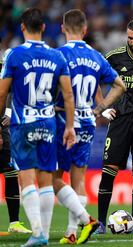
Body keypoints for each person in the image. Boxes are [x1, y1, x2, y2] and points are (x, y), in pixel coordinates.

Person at [0, 7, 76, 246]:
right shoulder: (57, 56)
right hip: (49, 123)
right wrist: (70, 127)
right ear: (43, 28)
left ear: (22, 28)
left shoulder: (14, 55)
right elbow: (68, 96)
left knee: (26, 179)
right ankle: (42, 231)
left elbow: (2, 93)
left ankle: (37, 233)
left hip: (23, 124)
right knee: (46, 180)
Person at [54, 9, 126, 244]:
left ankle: (82, 224)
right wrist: (100, 107)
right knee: (79, 179)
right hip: (87, 121)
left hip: (64, 121)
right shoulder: (96, 57)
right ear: (85, 30)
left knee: (54, 177)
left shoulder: (58, 55)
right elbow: (120, 85)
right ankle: (71, 232)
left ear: (63, 28)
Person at [95, 19, 133, 235]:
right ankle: (101, 224)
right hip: (119, 119)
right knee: (108, 172)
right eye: (130, 37)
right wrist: (103, 108)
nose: (132, 42)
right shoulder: (114, 57)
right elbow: (94, 78)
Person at [0, 59, 32, 236]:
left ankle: (14, 222)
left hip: (2, 124)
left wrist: (10, 112)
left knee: (10, 171)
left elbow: (16, 89)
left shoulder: (4, 66)